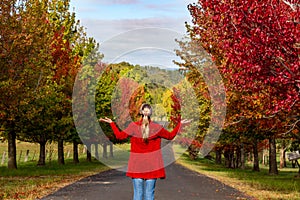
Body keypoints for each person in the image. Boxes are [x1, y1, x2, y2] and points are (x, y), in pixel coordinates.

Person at [99, 103, 191, 200]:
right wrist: (179, 125)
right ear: (150, 113)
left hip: (137, 166)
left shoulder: (134, 126)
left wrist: (112, 123)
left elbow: (119, 136)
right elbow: (170, 136)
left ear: (141, 112)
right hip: (152, 166)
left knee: (138, 194)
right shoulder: (157, 128)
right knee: (149, 194)